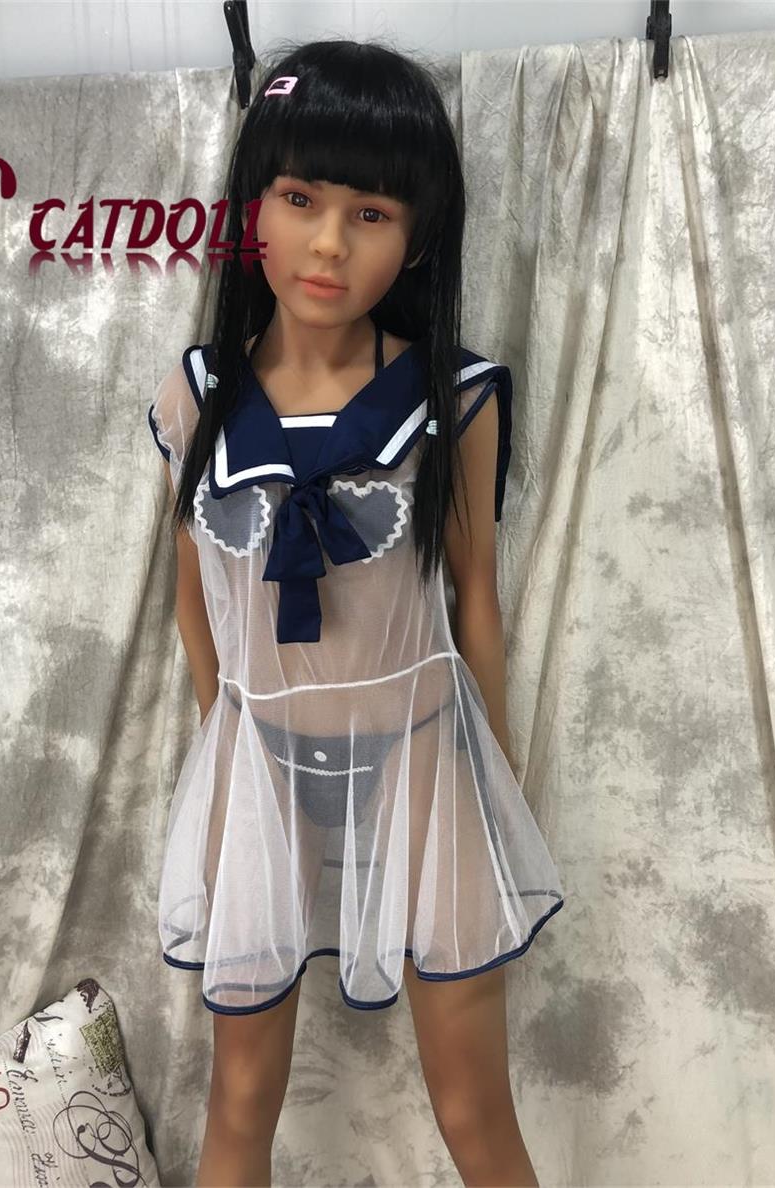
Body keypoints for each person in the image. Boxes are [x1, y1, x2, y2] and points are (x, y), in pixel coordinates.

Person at [147, 37, 565, 1188]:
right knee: (238, 1099)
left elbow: (475, 599)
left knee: (473, 1105)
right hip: (260, 765)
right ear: (253, 208)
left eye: (371, 213)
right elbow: (195, 604)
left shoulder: (453, 397)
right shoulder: (195, 396)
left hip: (424, 752)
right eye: (299, 199)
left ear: (418, 236)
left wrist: (496, 781)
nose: (328, 243)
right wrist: (229, 758)